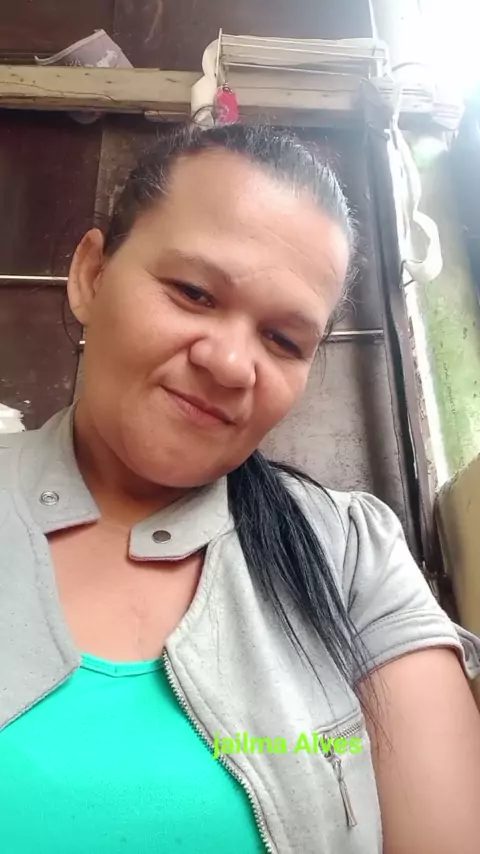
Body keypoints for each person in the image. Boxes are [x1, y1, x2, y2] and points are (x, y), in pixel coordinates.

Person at [1, 123, 480, 854]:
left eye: (284, 340)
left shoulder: (351, 558)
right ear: (92, 275)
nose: (230, 364)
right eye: (194, 292)